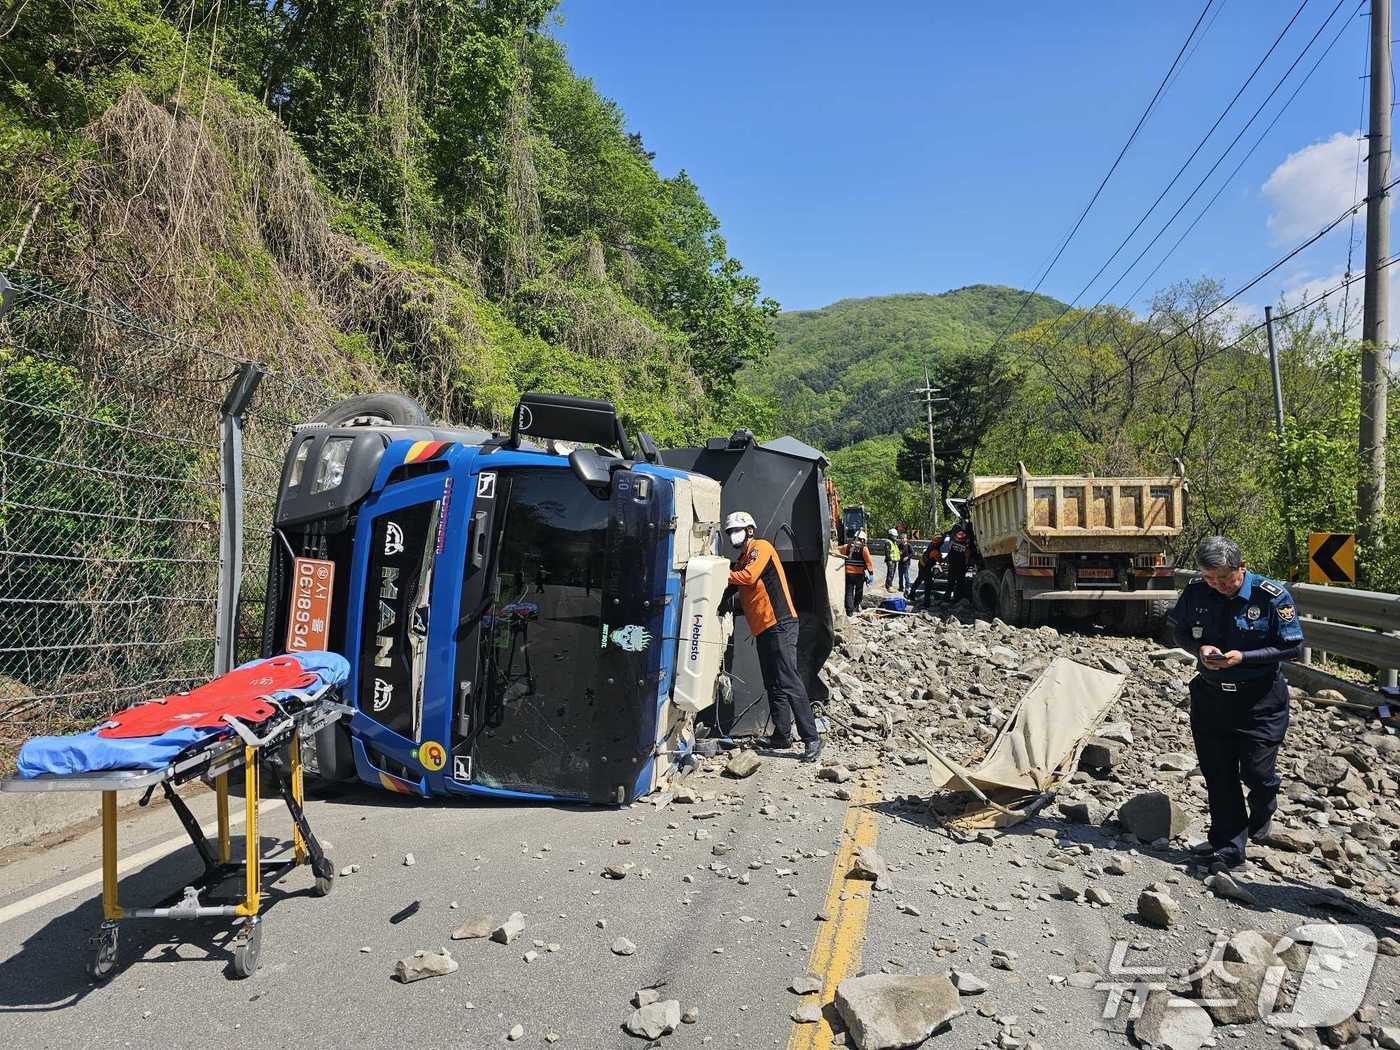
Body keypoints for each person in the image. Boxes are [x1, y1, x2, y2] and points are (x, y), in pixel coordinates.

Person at [1169, 535, 1303, 875]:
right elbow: (1178, 629)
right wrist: (1197, 649)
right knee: (1219, 774)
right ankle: (1229, 849)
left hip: (1260, 699)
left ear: (1241, 568)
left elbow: (1291, 647)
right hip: (1211, 697)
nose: (1217, 585)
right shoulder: (1197, 591)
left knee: (1257, 773)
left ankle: (1264, 806)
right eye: (1210, 578)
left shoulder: (1271, 597)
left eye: (1224, 579)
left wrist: (1244, 656)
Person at [724, 511, 823, 762]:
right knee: (773, 682)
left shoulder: (761, 548)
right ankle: (782, 734)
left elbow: (747, 577)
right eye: (730, 532)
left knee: (788, 680)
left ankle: (811, 738)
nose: (733, 535)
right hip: (763, 628)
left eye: (737, 529)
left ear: (750, 530)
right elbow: (733, 586)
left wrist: (716, 573)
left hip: (780, 623)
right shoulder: (742, 559)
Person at [839, 529, 874, 616]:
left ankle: (849, 611)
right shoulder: (864, 549)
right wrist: (871, 574)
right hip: (859, 575)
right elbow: (868, 562)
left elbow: (839, 555)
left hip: (848, 574)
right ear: (863, 539)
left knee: (849, 592)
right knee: (859, 591)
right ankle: (856, 605)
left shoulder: (846, 547)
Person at [943, 521, 974, 602]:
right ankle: (957, 598)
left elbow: (950, 551)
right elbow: (967, 553)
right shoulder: (966, 539)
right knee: (960, 582)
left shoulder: (952, 539)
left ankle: (948, 598)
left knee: (951, 582)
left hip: (954, 564)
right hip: (960, 564)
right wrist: (967, 563)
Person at [908, 541, 940, 609]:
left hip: (922, 563)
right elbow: (939, 559)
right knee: (928, 584)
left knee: (919, 579)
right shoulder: (935, 549)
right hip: (925, 566)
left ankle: (911, 594)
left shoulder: (932, 544)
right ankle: (926, 603)